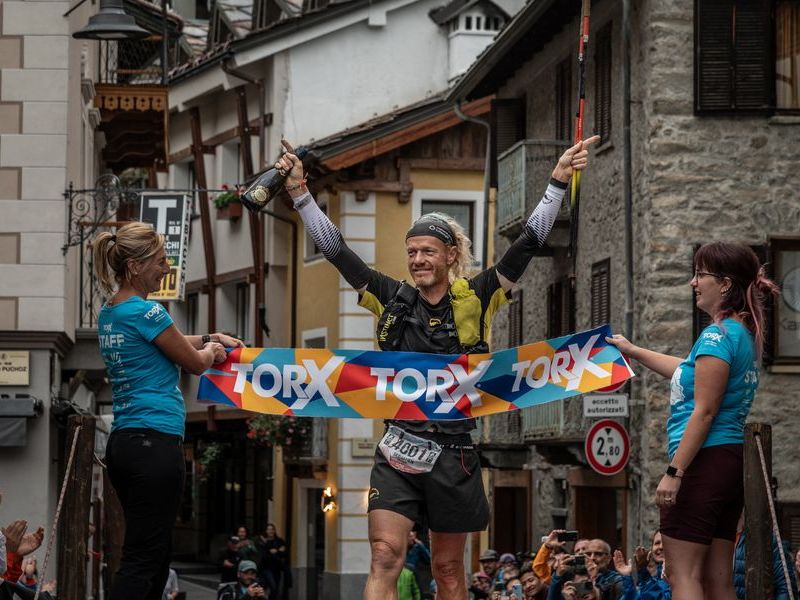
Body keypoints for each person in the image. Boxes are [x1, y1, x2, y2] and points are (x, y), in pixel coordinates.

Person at [271, 135, 598, 600]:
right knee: (385, 554)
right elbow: (337, 251)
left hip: (454, 453)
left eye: (427, 251)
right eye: (411, 252)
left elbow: (528, 243)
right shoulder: (391, 297)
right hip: (398, 448)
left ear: (449, 255)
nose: (418, 260)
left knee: (447, 570)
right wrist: (301, 195)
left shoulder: (478, 294)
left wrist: (558, 181)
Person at [607, 242, 780, 600]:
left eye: (701, 274)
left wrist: (675, 472)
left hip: (703, 462)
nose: (693, 282)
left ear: (726, 284)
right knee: (718, 582)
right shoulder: (741, 335)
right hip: (729, 463)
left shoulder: (716, 336)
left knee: (682, 576)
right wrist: (633, 350)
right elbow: (689, 372)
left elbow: (704, 410)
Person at [93, 222, 240, 600]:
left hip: (125, 443)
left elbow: (167, 343)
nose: (166, 269)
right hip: (155, 444)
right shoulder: (149, 311)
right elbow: (193, 363)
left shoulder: (112, 313)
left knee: (153, 556)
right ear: (136, 267)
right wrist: (212, 352)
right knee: (144, 558)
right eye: (160, 261)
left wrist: (210, 337)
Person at [256, 523, 288, 598]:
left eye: (272, 529)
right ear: (266, 531)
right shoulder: (263, 542)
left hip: (277, 568)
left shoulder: (279, 540)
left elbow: (285, 552)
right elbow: (264, 555)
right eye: (269, 529)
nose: (271, 531)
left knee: (276, 589)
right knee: (272, 587)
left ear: (274, 531)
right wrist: (274, 550)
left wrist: (277, 551)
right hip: (266, 568)